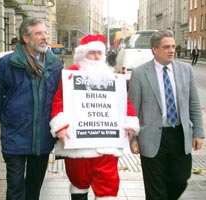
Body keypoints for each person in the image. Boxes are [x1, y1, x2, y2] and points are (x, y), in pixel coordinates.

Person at [49, 34, 140, 200]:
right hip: (78, 144)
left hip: (107, 145)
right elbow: (58, 101)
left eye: (99, 53)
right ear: (83, 54)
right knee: (78, 183)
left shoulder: (111, 76)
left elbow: (123, 103)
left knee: (108, 184)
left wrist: (130, 121)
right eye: (92, 53)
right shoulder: (70, 75)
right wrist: (60, 125)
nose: (96, 57)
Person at [0, 17, 63, 200]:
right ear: (26, 38)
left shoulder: (55, 65)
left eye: (45, 32)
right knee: (15, 188)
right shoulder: (6, 64)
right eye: (39, 33)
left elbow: (60, 98)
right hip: (15, 137)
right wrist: (8, 119)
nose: (44, 37)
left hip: (43, 138)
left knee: (34, 189)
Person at [128, 30, 204, 200]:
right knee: (155, 188)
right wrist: (133, 138)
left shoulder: (186, 70)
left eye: (173, 46)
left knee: (180, 179)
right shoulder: (140, 73)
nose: (171, 50)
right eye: (166, 47)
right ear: (154, 49)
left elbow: (194, 104)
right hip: (151, 137)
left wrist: (198, 132)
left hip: (179, 134)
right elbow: (132, 109)